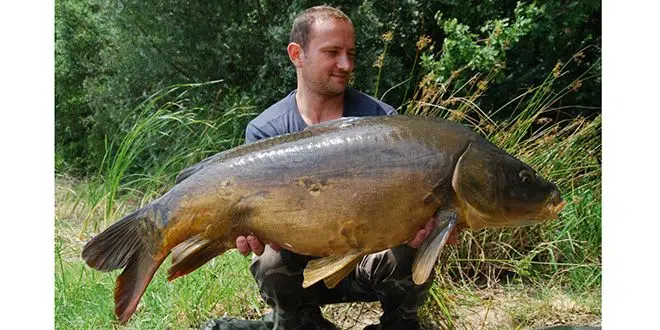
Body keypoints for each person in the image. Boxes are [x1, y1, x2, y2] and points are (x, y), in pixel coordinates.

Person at [200, 5, 456, 330]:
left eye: (351, 53)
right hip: (299, 268)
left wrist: (422, 230)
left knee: (412, 252)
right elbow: (255, 223)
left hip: (369, 262)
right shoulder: (266, 131)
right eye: (333, 52)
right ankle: (299, 323)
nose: (346, 64)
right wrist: (248, 232)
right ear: (297, 54)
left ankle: (400, 324)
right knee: (268, 261)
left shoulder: (385, 123)